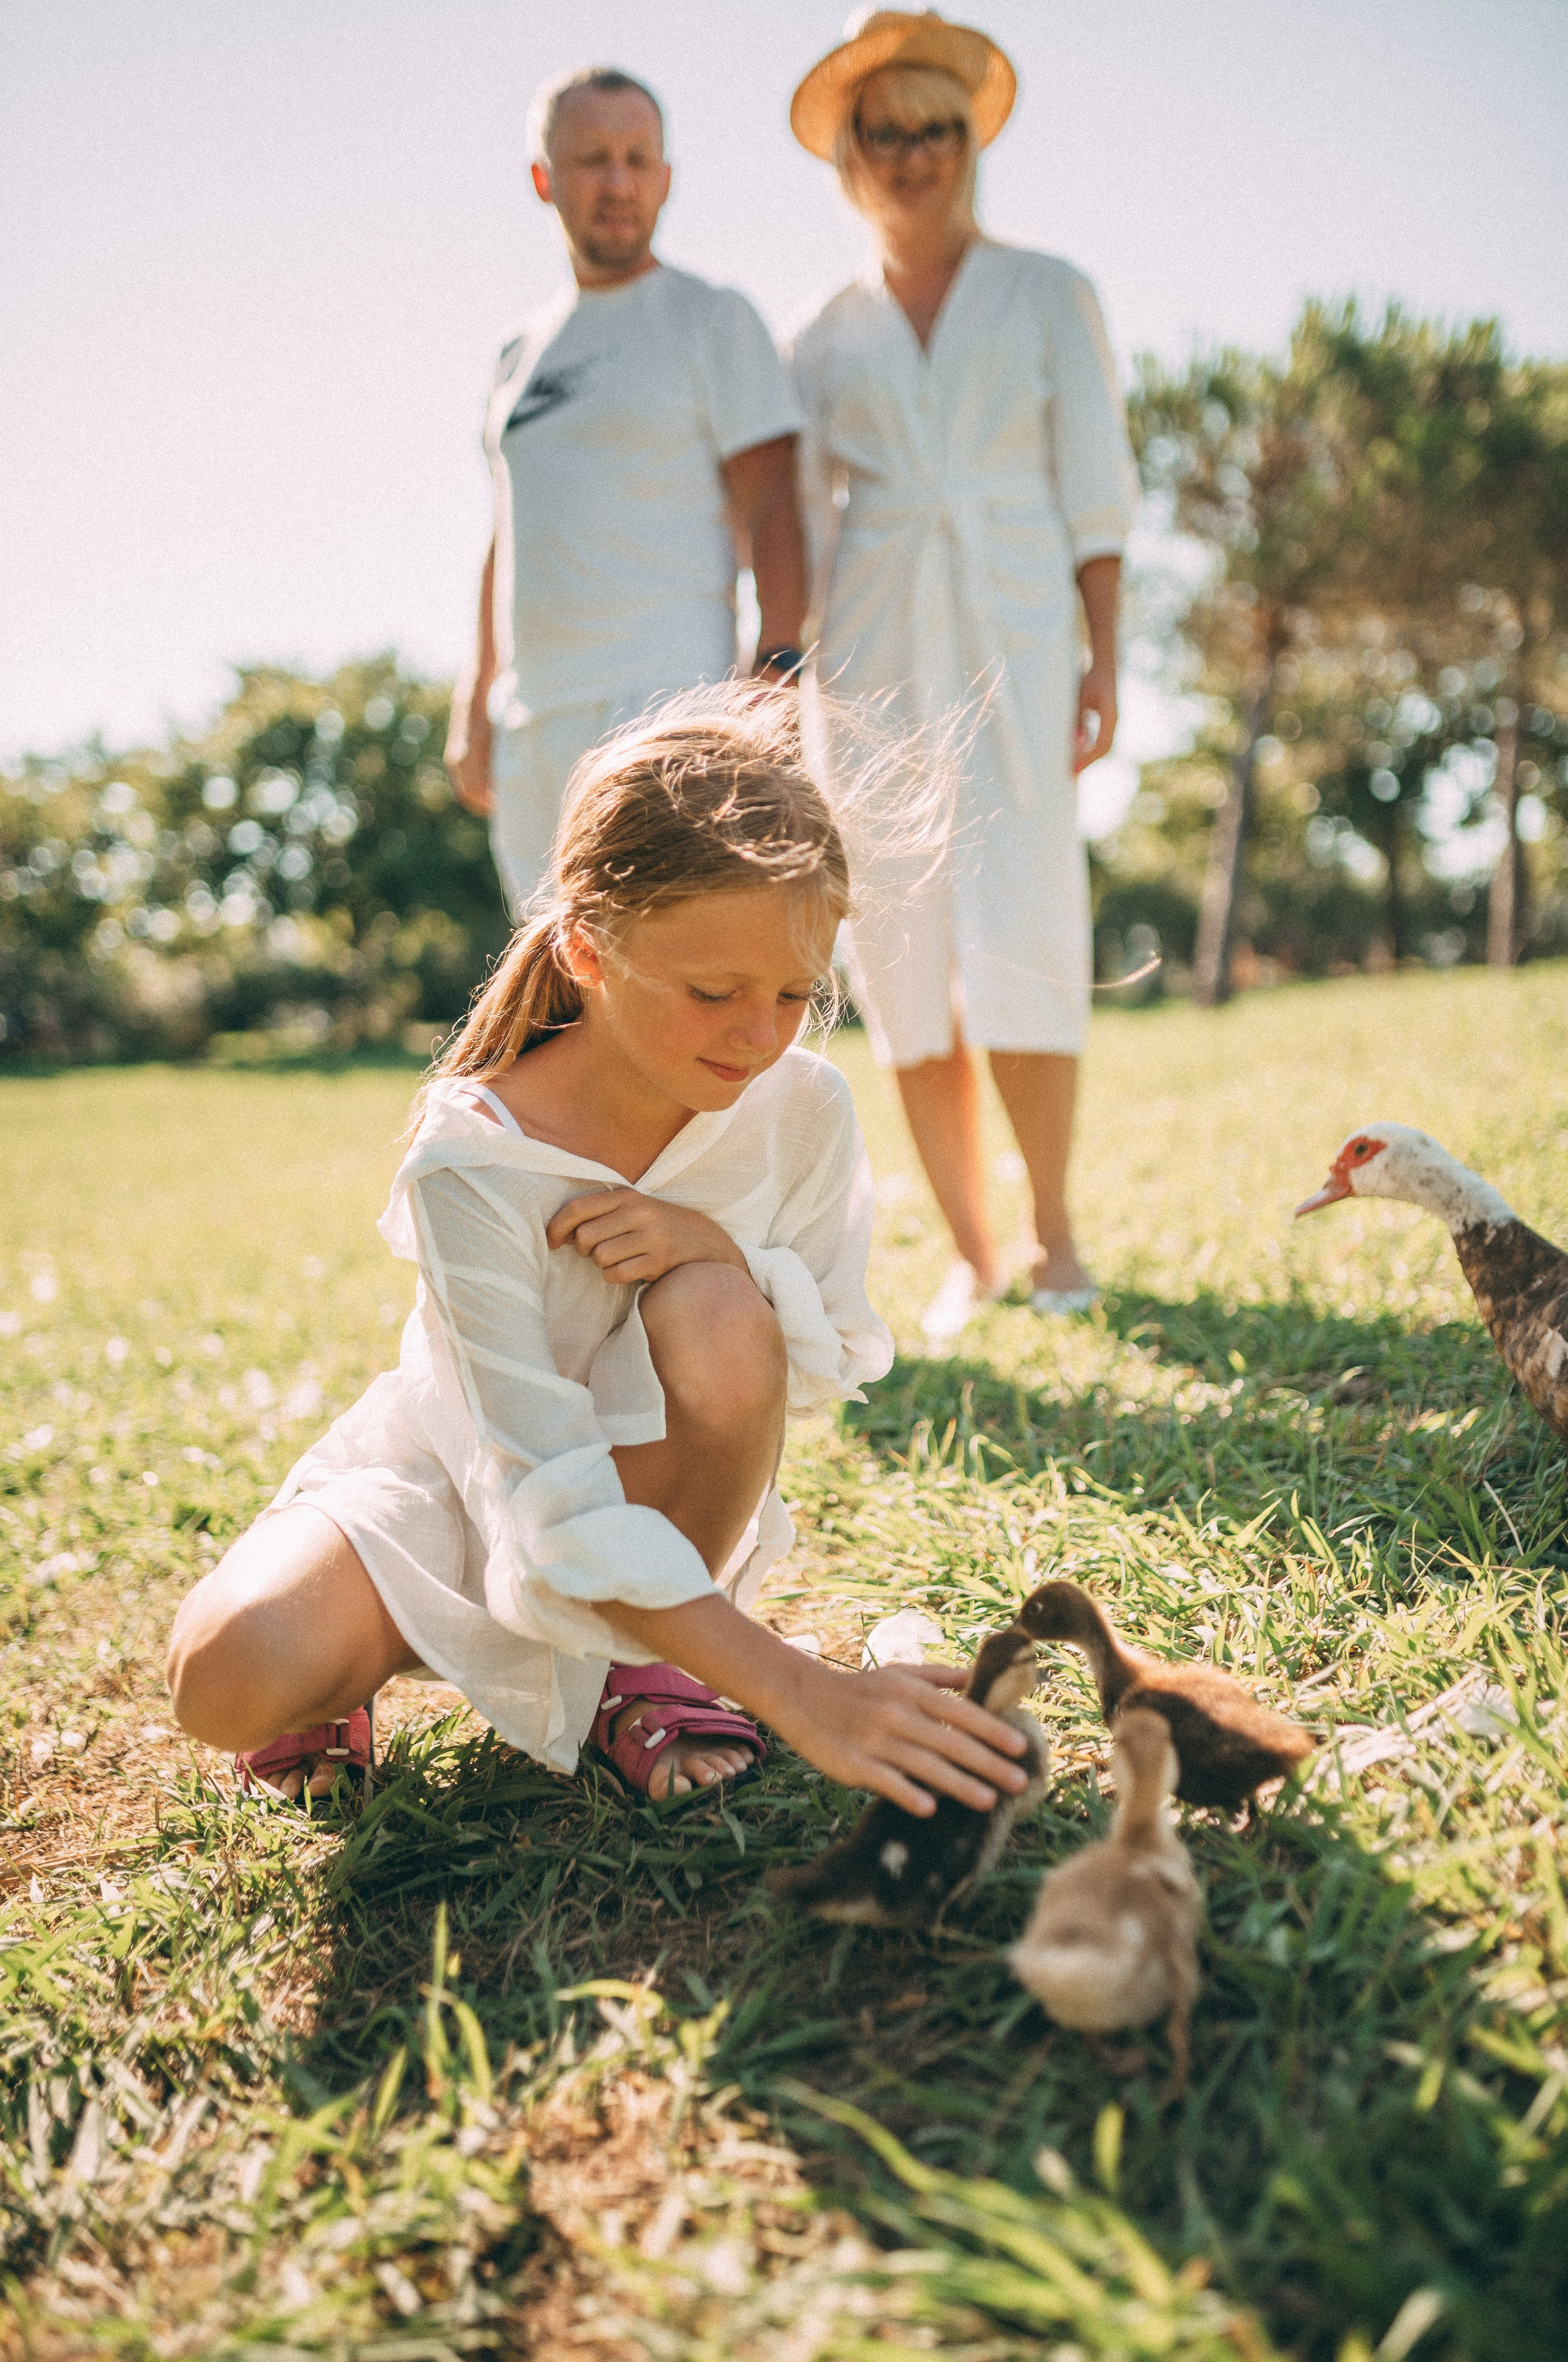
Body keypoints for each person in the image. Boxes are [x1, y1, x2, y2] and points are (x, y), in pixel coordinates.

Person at [166, 687, 1033, 1822]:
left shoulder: (802, 1106)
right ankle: (352, 1669)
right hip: (466, 1478)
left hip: (660, 1493)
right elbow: (537, 1489)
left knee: (725, 1312)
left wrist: (713, 1250)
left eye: (795, 993)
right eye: (714, 992)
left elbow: (826, 1354)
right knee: (224, 1678)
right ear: (587, 948)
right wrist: (799, 1689)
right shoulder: (475, 1154)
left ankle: (644, 1660)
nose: (761, 1035)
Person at [789, 12, 1139, 1339]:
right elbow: (798, 532)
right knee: (901, 947)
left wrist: (1103, 656)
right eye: (884, 135)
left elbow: (1095, 495)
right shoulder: (817, 339)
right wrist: (784, 689)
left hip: (1016, 644)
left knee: (1029, 925)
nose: (911, 156)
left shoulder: (1049, 293)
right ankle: (970, 1253)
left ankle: (1053, 1238)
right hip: (867, 664)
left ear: (967, 142)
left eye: (935, 130)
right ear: (849, 160)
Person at [445, 66, 808, 914]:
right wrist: (476, 696)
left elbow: (774, 504)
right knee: (559, 995)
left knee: (670, 978)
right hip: (537, 724)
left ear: (667, 180)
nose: (617, 182)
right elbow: (508, 528)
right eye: (591, 159)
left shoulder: (711, 319)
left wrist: (780, 671)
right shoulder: (517, 354)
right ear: (544, 178)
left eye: (637, 159)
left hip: (670, 706)